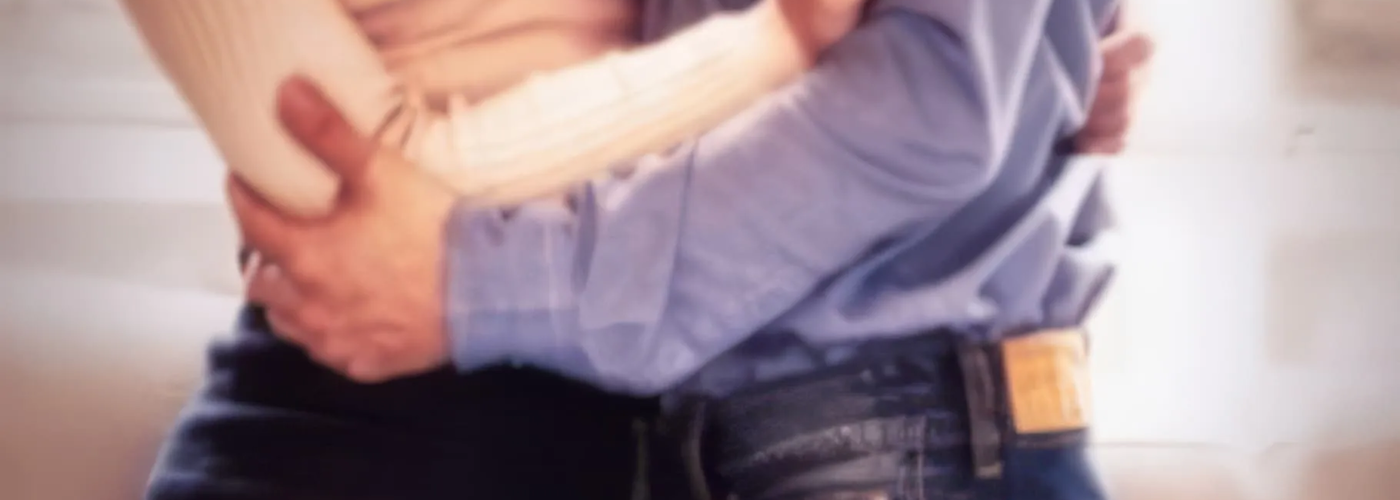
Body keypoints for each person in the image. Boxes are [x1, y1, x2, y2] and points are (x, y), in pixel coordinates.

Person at [145, 1, 1154, 499]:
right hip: (377, 402)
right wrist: (778, 44)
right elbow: (353, 183)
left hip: (873, 428)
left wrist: (1033, 65)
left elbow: (933, 99)